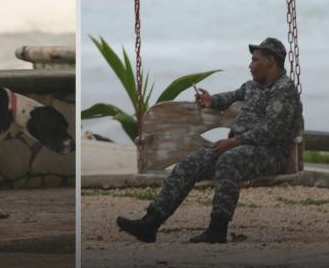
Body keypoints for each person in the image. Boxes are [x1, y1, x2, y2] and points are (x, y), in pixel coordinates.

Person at [117, 37, 302, 243]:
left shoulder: (283, 90)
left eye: (255, 60)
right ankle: (150, 223)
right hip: (240, 149)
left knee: (229, 160)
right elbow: (232, 96)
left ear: (270, 61)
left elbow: (273, 130)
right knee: (190, 162)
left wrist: (235, 141)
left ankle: (217, 230)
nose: (250, 65)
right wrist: (211, 100)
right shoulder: (252, 86)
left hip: (271, 153)